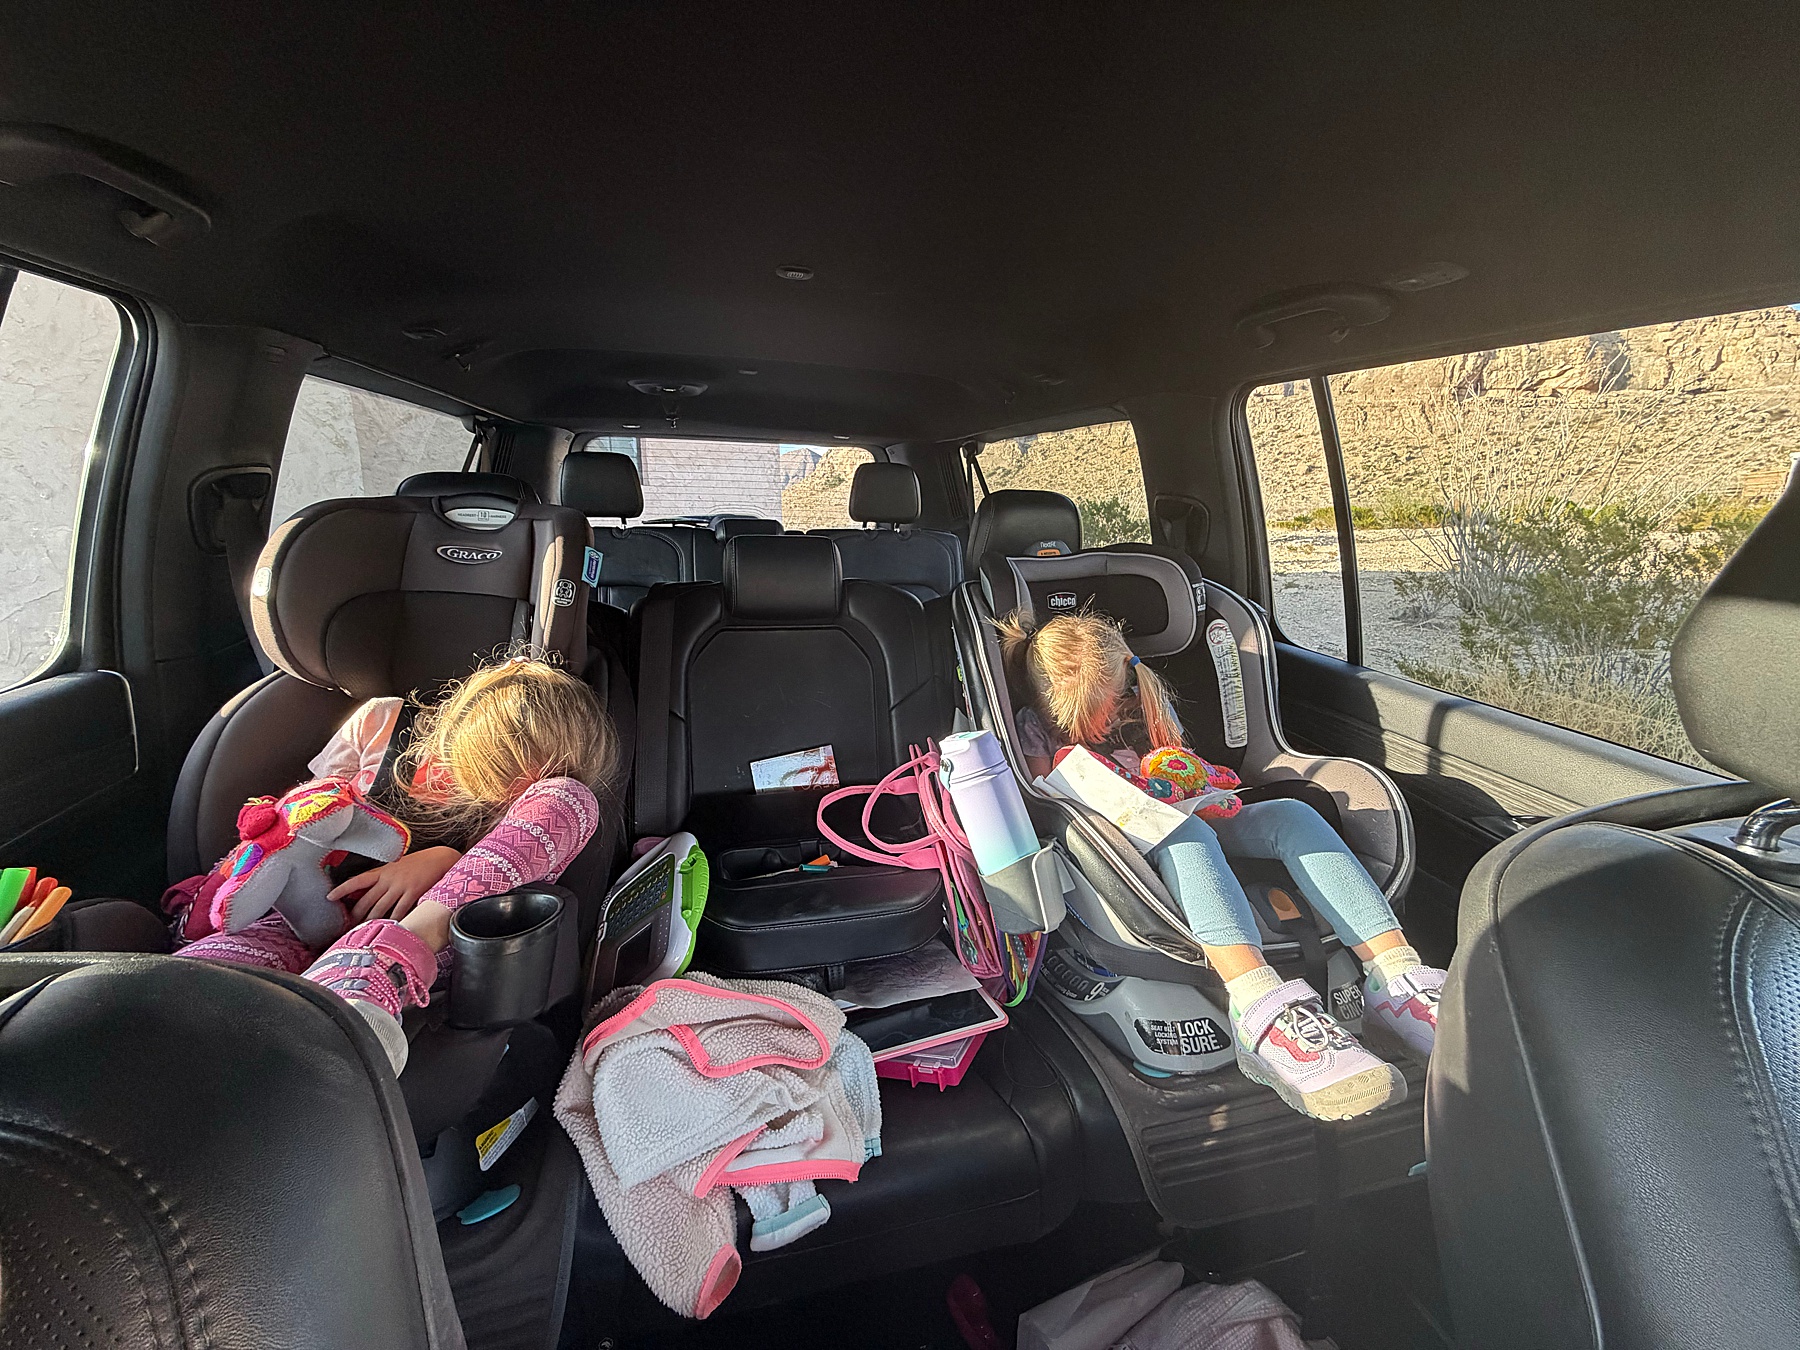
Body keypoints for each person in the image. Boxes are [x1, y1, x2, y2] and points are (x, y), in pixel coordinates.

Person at [998, 610, 1444, 1121]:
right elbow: (1044, 794)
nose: (1113, 715)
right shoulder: (1035, 729)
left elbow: (1182, 766)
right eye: (1099, 709)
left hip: (1180, 810)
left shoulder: (1140, 709)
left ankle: (1396, 978)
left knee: (1291, 815)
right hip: (1116, 843)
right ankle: (1256, 1005)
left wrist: (1196, 788)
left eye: (1118, 696)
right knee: (1186, 834)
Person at [172, 656, 618, 1070]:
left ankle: (379, 964)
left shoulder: (540, 799)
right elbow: (307, 821)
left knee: (570, 799)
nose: (508, 792)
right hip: (296, 916)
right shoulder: (382, 724)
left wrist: (447, 859)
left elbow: (540, 825)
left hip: (423, 943)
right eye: (496, 770)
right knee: (193, 993)